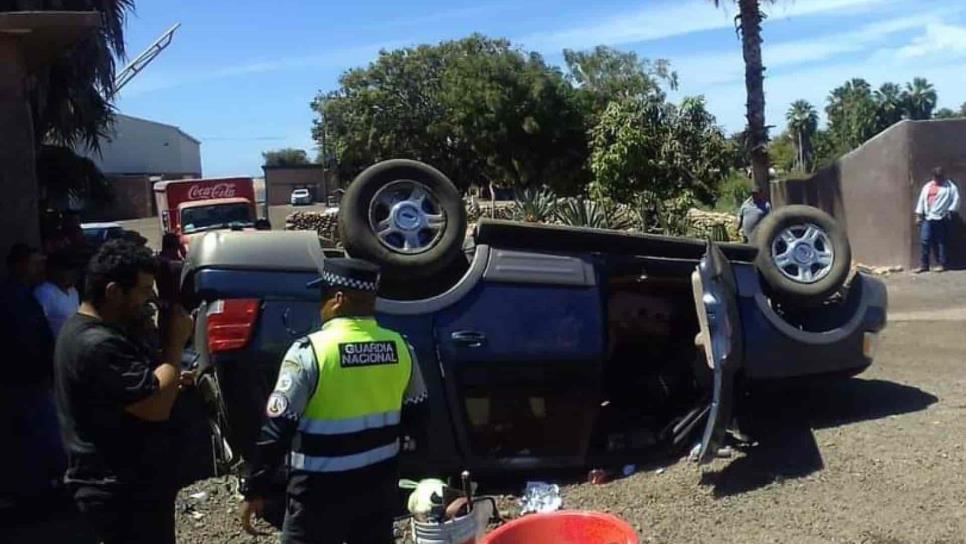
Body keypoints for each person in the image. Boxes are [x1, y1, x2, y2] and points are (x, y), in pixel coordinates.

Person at [239, 258, 428, 544]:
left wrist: (256, 489)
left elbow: (277, 429)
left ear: (338, 299)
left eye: (323, 296)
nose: (320, 305)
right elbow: (419, 415)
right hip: (377, 490)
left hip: (317, 496)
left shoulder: (308, 352)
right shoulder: (401, 347)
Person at [53, 240, 193, 544]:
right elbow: (154, 404)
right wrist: (175, 344)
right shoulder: (97, 345)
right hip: (120, 495)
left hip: (129, 488)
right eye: (143, 291)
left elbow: (133, 390)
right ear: (114, 292)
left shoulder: (96, 332)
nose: (151, 299)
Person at [0, 244, 61, 504]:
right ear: (21, 265)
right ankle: (36, 494)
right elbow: (23, 339)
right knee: (34, 434)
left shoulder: (25, 294)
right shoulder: (12, 297)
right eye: (35, 264)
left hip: (30, 377)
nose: (40, 269)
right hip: (23, 379)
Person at [915, 166, 960, 273]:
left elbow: (956, 199)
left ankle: (942, 264)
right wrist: (918, 215)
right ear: (933, 176)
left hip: (941, 217)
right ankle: (924, 265)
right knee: (925, 240)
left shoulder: (949, 187)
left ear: (943, 176)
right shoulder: (927, 186)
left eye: (940, 177)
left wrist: (950, 211)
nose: (938, 179)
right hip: (928, 216)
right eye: (936, 177)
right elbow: (922, 200)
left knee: (941, 241)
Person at [34, 251, 80, 338]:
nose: (73, 273)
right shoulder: (44, 292)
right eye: (68, 269)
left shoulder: (73, 291)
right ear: (55, 271)